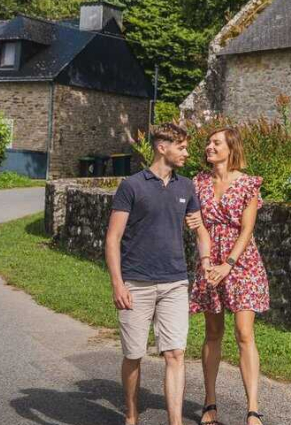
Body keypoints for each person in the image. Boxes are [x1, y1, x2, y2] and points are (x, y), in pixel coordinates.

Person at [105, 122, 214, 425]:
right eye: (182, 147)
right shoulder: (132, 186)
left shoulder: (186, 186)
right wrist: (118, 284)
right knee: (134, 355)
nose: (188, 153)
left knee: (175, 353)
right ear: (161, 147)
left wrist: (205, 259)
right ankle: (130, 414)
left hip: (175, 282)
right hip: (136, 283)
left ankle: (175, 422)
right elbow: (113, 239)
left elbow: (200, 230)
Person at [186, 127, 271, 425]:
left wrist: (229, 264)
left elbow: (247, 228)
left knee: (244, 333)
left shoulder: (248, 183)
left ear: (231, 148)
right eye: (209, 142)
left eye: (216, 142)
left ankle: (253, 408)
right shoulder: (198, 183)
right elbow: (197, 224)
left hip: (242, 261)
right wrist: (209, 261)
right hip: (209, 262)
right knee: (212, 333)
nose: (209, 146)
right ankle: (210, 401)